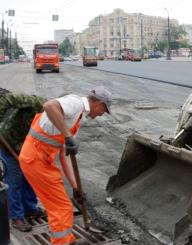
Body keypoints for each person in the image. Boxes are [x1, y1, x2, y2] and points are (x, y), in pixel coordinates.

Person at [19, 86, 112, 245]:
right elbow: (49, 105)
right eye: (104, 110)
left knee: (61, 206)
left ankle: (66, 240)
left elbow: (64, 156)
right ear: (99, 103)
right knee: (61, 208)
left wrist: (76, 187)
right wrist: (68, 136)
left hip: (42, 161)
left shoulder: (78, 116)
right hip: (36, 160)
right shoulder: (76, 103)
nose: (102, 114)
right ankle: (62, 242)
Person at [0, 88, 46, 232]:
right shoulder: (36, 104)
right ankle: (17, 217)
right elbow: (8, 99)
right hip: (9, 143)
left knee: (30, 179)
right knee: (14, 182)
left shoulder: (56, 122)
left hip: (26, 148)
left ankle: (30, 209)